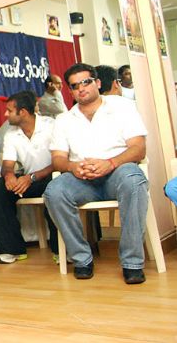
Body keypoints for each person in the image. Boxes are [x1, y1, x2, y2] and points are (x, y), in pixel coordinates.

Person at [44, 63, 148, 284]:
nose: (81, 88)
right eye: (75, 86)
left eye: (86, 82)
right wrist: (73, 167)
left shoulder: (123, 108)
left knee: (133, 180)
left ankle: (132, 263)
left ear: (98, 83)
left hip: (118, 172)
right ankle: (82, 259)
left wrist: (110, 163)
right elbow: (58, 159)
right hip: (82, 180)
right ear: (70, 91)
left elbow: (139, 149)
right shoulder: (64, 120)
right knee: (54, 191)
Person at [0, 90, 58, 265]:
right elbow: (7, 164)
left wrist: (32, 177)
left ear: (23, 112)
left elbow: (60, 162)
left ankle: (60, 249)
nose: (5, 114)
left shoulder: (51, 126)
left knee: (55, 186)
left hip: (54, 176)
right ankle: (12, 249)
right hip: (29, 181)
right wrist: (9, 176)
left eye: (9, 110)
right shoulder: (10, 133)